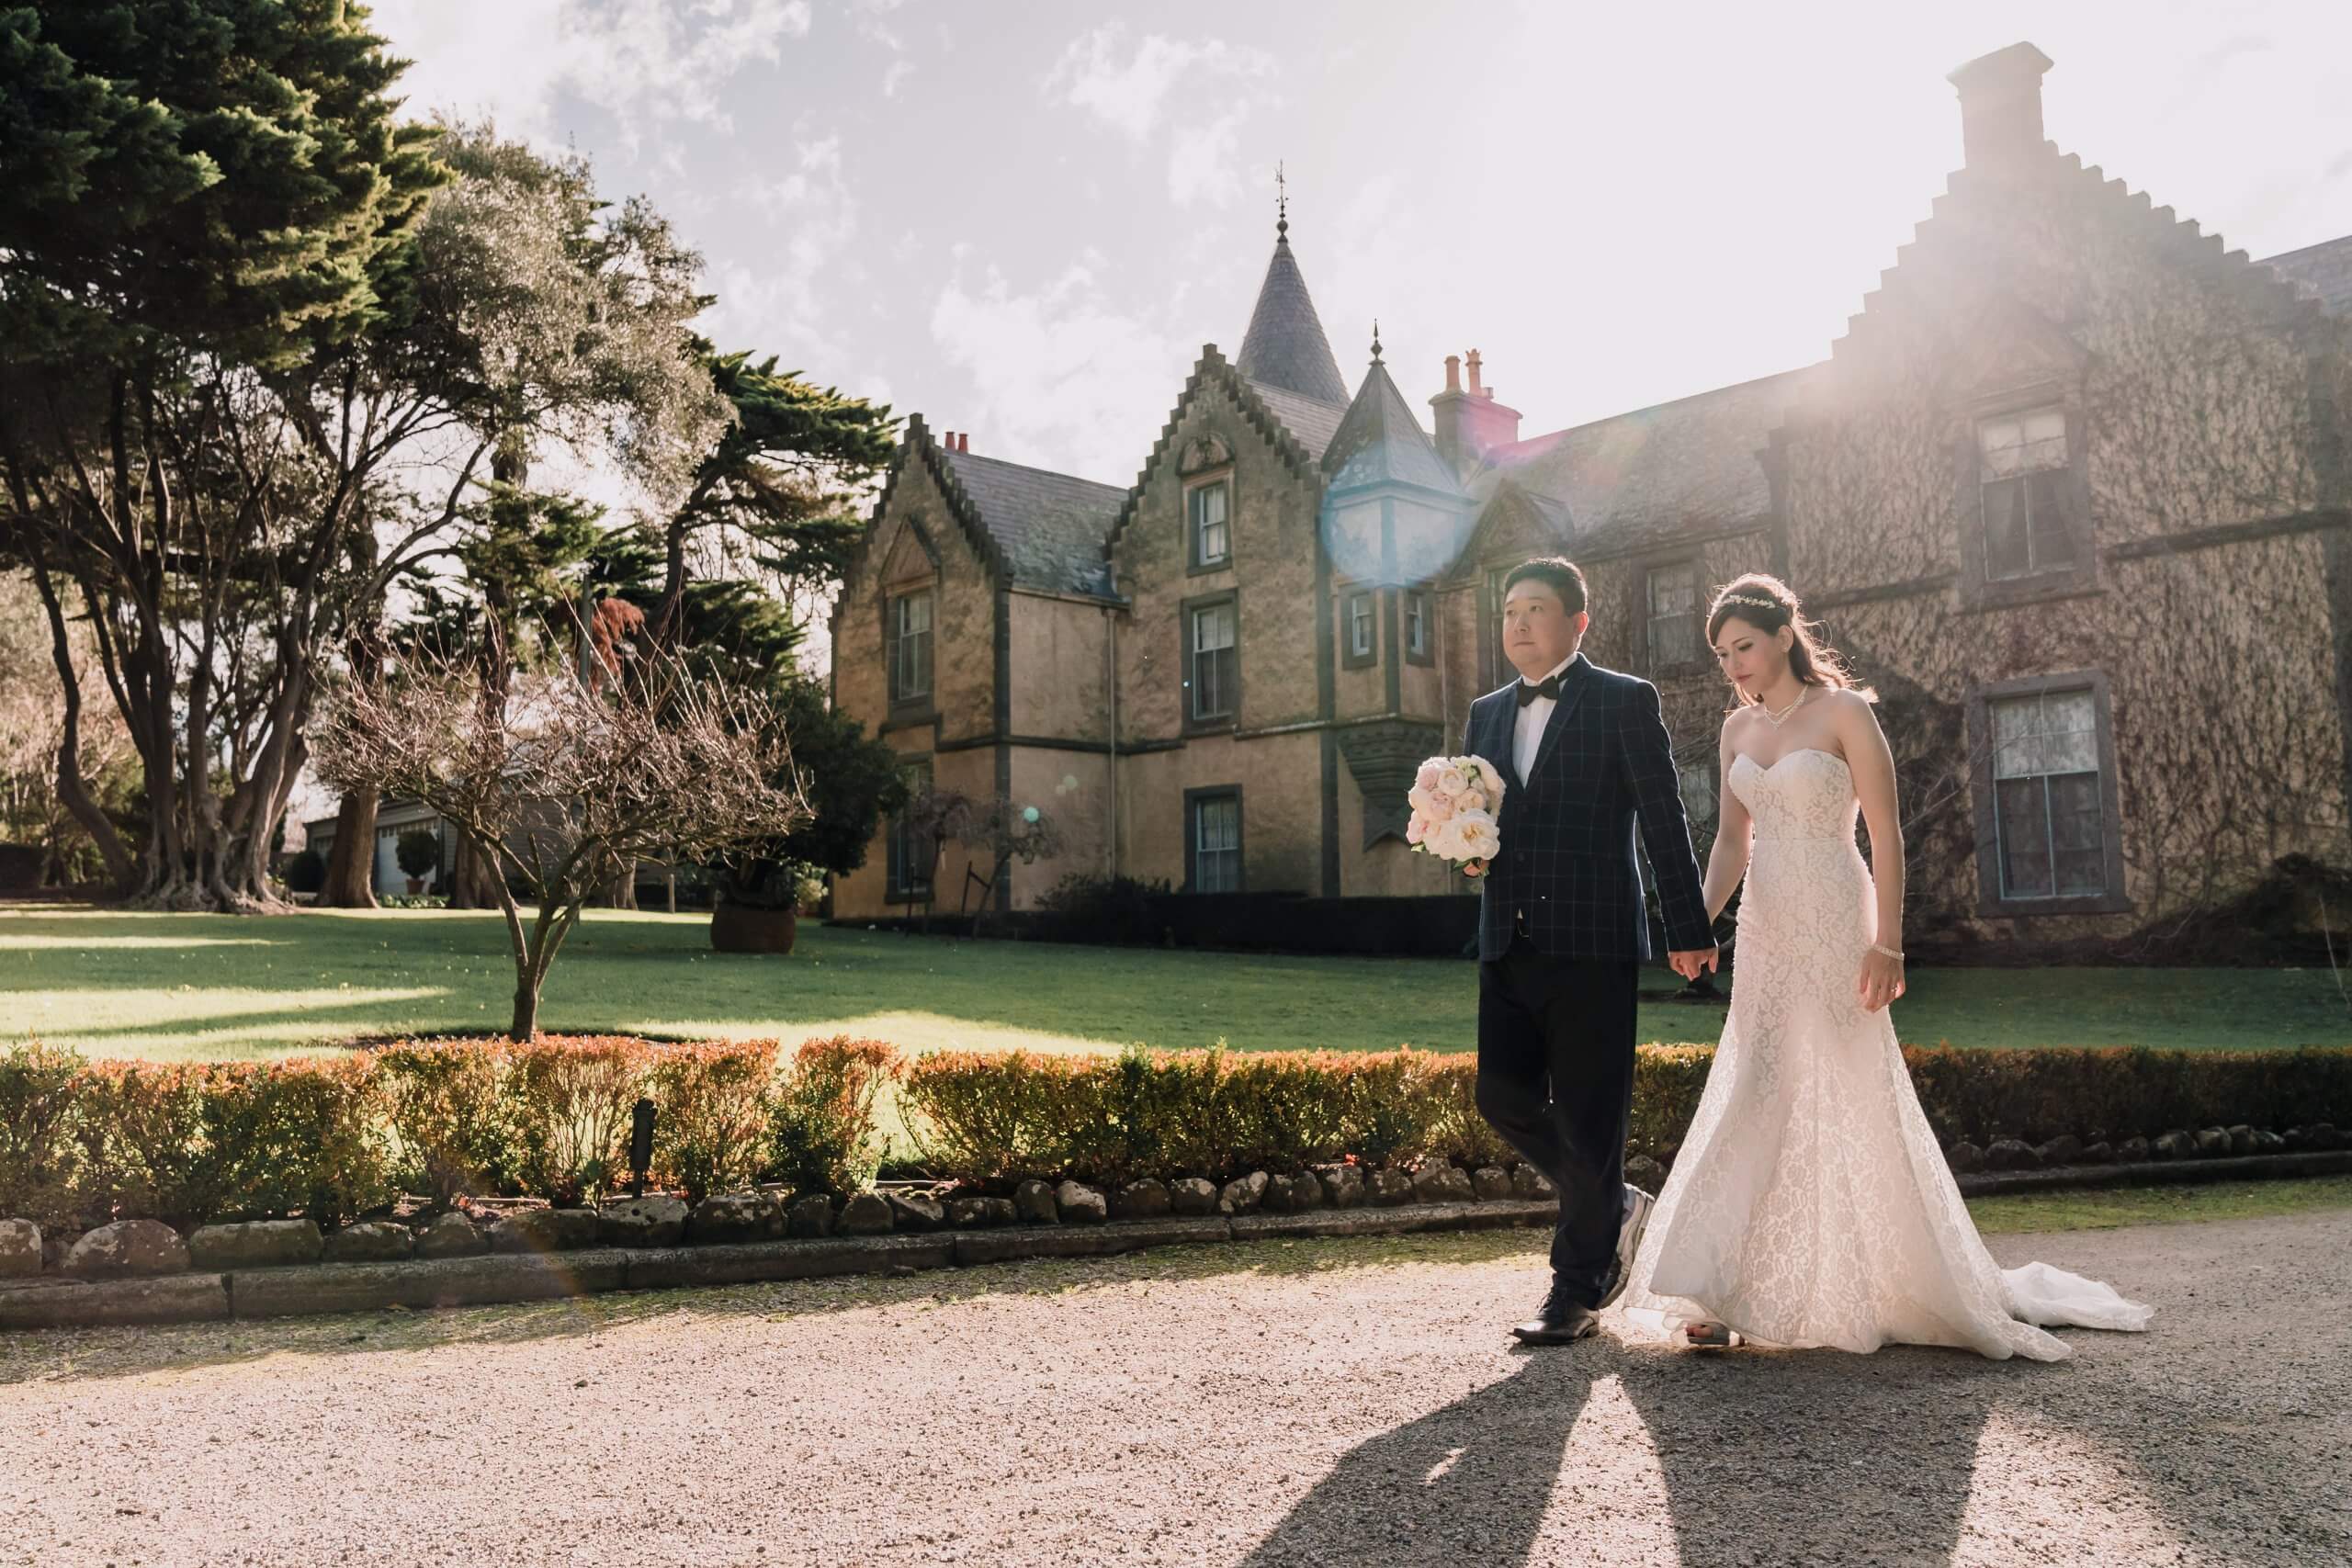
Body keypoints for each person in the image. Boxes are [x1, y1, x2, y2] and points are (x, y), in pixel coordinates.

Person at [1615, 572, 2154, 1359]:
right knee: (1757, 1084)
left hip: (1838, 914)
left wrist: (1888, 941)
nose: (1733, 663)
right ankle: (1722, 1287)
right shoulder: (1736, 730)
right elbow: (1733, 842)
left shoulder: (1845, 713)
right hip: (1766, 924)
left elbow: (1887, 835)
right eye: (1722, 651)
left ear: (1781, 636)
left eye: (1745, 646)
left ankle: (1891, 1275)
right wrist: (1696, 921)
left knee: (1848, 1079)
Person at [1462, 557, 1718, 1346]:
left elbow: (1665, 818)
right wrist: (1466, 848)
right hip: (1507, 938)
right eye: (1509, 610)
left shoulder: (1623, 700)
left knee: (1587, 1115)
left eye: (1535, 608)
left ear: (1578, 622)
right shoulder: (1485, 712)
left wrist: (1688, 926)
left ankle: (1575, 1286)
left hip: (1594, 941)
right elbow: (1481, 817)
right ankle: (1615, 1206)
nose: (1519, 623)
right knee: (1499, 1098)